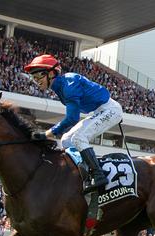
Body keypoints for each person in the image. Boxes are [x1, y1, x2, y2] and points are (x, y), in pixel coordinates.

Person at [24, 54, 124, 193]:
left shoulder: (68, 86)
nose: (37, 81)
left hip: (110, 110)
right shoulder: (61, 86)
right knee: (66, 140)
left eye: (39, 76)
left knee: (78, 138)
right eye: (34, 78)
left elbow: (72, 118)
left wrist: (47, 134)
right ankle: (82, 174)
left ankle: (98, 176)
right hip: (99, 111)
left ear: (51, 73)